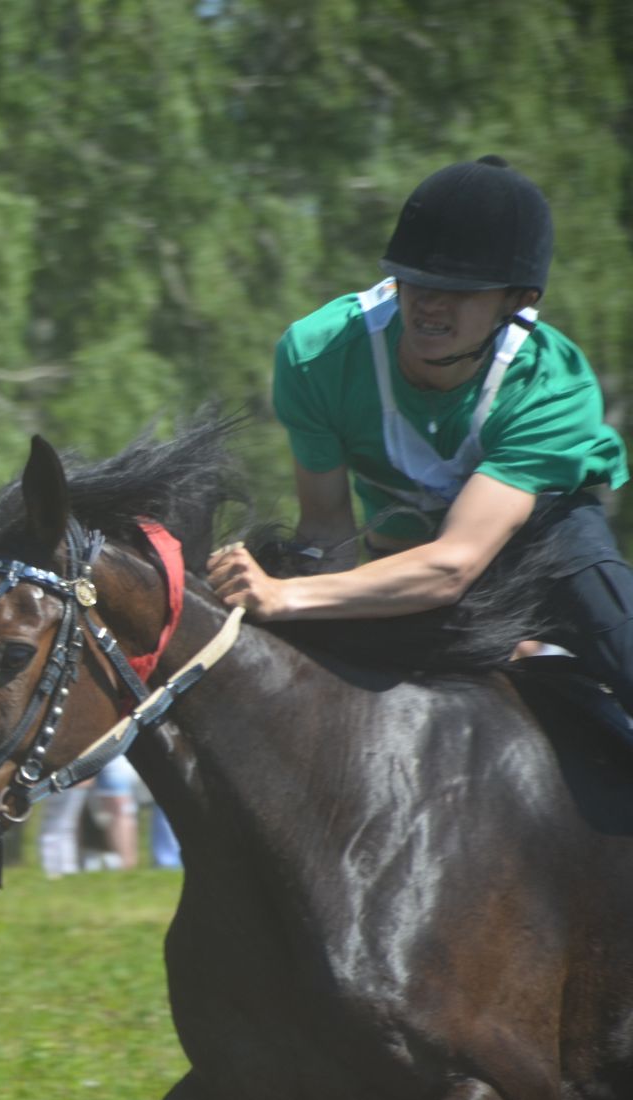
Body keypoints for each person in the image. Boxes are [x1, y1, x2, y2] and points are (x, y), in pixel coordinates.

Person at [209, 156, 631, 697]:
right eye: (415, 282)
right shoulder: (316, 356)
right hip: (404, 560)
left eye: (460, 289)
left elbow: (455, 566)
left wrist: (281, 597)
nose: (429, 303)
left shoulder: (553, 387)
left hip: (549, 557)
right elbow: (325, 534)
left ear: (518, 301)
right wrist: (284, 605)